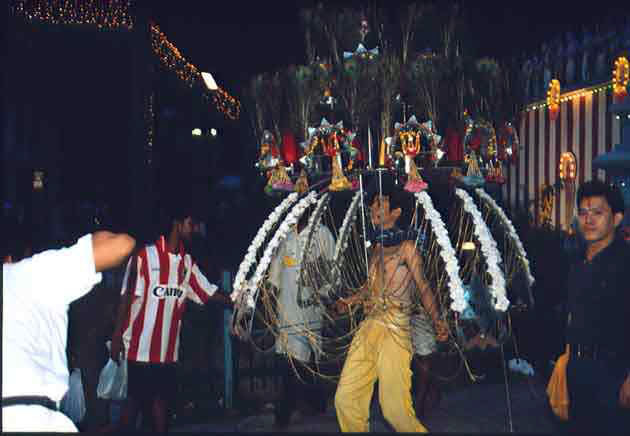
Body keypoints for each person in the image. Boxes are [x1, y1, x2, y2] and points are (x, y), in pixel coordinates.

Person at [333, 178, 448, 433]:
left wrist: (438, 320)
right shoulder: (376, 248)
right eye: (373, 204)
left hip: (395, 330)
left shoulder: (408, 249)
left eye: (380, 204)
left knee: (394, 410)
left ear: (396, 212)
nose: (373, 208)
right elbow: (369, 287)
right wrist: (348, 302)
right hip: (369, 327)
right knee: (345, 399)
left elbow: (424, 287)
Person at [2, 223, 136, 432]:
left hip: (88, 341)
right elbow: (121, 244)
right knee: (93, 396)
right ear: (11, 259)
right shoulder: (29, 274)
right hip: (34, 418)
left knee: (96, 395)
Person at [109, 209, 231, 433]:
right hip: (139, 350)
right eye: (191, 223)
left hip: (168, 354)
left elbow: (207, 292)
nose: (194, 229)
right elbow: (126, 298)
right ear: (178, 223)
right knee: (132, 413)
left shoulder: (186, 263)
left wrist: (236, 301)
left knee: (160, 410)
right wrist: (117, 337)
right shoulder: (145, 256)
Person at [564, 180, 630, 433]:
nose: (588, 220)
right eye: (583, 213)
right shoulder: (578, 261)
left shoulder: (625, 263)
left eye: (598, 213)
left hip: (614, 373)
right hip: (578, 369)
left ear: (616, 218)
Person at [267, 210, 336, 428]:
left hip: (310, 313)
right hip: (286, 313)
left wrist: (315, 276)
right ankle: (299, 406)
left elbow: (332, 275)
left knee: (301, 362)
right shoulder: (285, 235)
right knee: (292, 362)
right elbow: (274, 277)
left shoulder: (322, 233)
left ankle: (285, 413)